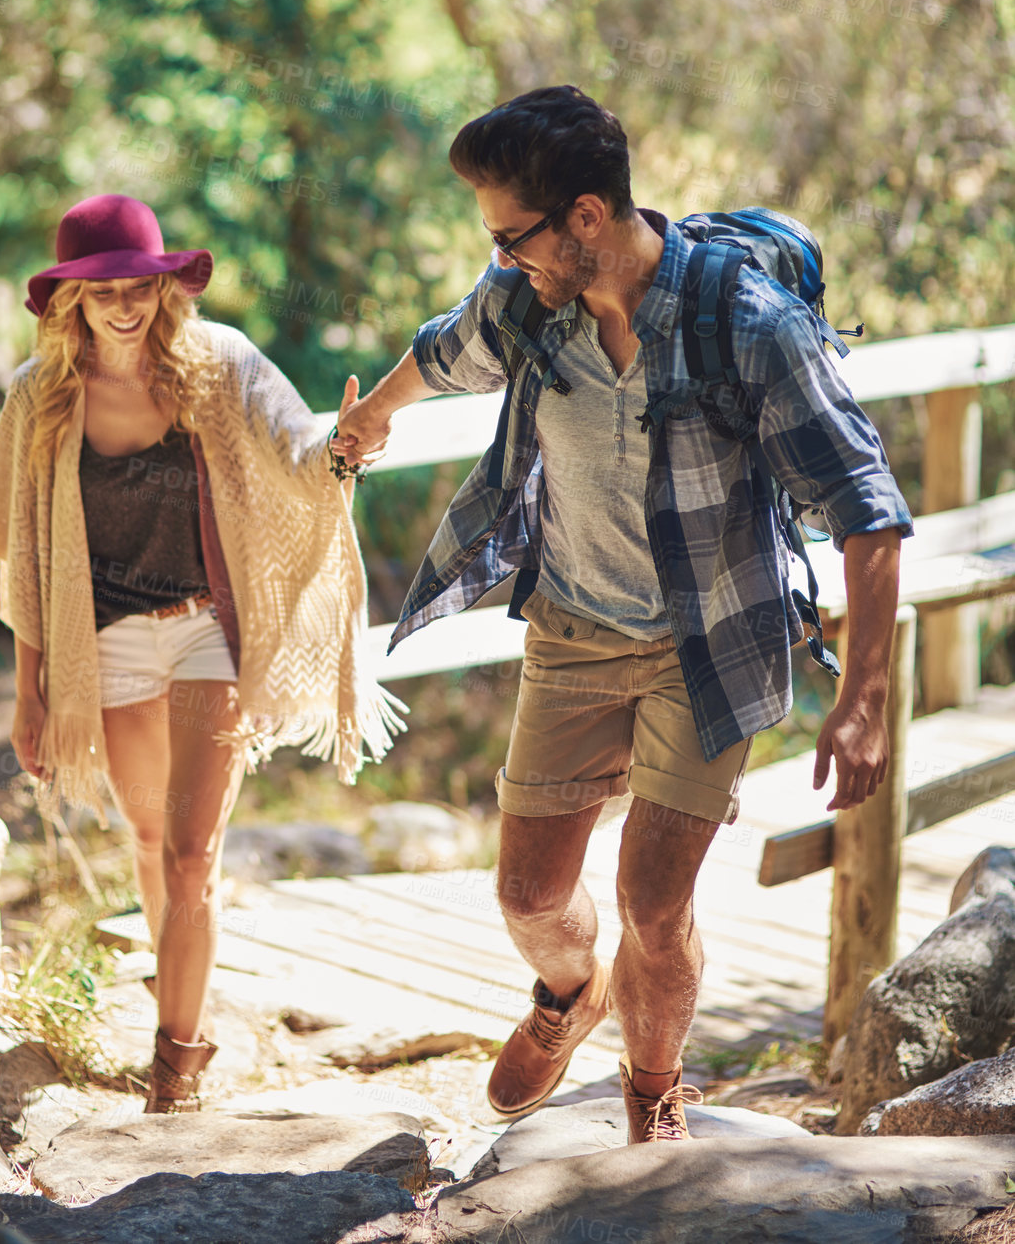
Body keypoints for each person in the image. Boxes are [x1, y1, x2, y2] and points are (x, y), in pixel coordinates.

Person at [334, 86, 912, 1145]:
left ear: (587, 218)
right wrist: (372, 418)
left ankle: (654, 1095)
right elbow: (445, 346)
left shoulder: (749, 326)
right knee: (527, 899)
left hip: (710, 642)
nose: (502, 259)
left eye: (514, 236)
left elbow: (868, 508)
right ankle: (569, 997)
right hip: (573, 627)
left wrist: (865, 696)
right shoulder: (524, 300)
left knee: (653, 902)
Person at [0, 194, 402, 1112]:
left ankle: (176, 1064)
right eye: (101, 289)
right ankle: (180, 997)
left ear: (165, 288)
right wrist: (29, 693)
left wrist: (349, 445)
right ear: (69, 300)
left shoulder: (221, 363)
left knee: (196, 850)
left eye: (139, 285)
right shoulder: (39, 397)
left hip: (207, 627)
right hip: (104, 643)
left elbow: (301, 451)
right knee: (153, 838)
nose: (124, 303)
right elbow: (27, 563)